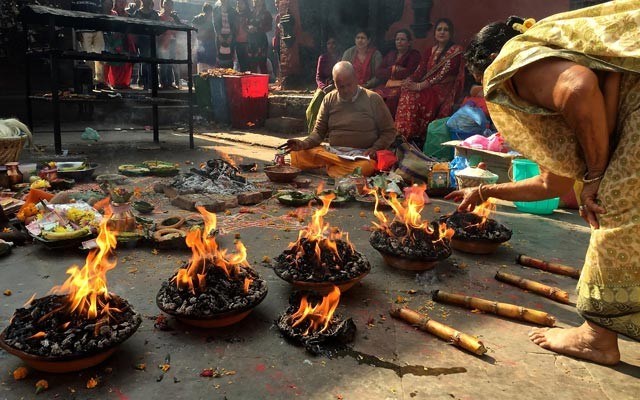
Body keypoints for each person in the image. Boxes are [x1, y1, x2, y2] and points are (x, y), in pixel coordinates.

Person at [446, 2, 640, 365]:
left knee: (611, 211)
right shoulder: (557, 53)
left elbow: (577, 87)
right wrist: (485, 190)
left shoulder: (516, 56)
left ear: (493, 58)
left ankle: (597, 338)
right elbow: (553, 183)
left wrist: (597, 174)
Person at [284, 61, 396, 178]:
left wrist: (375, 148)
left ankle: (328, 168)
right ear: (335, 84)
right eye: (341, 87)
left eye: (349, 85)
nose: (346, 90)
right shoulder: (329, 99)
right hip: (333, 153)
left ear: (356, 79)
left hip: (360, 156)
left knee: (364, 168)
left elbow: (389, 132)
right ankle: (335, 169)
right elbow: (318, 133)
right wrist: (303, 144)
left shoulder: (372, 98)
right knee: (297, 155)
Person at [394, 18, 465, 146]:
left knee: (415, 95)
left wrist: (420, 86)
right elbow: (420, 71)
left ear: (451, 33)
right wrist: (409, 81)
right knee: (406, 91)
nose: (442, 32)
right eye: (439, 29)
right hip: (427, 86)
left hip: (444, 88)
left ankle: (418, 135)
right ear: (435, 33)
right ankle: (404, 134)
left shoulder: (455, 51)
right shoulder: (429, 51)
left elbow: (443, 75)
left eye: (446, 30)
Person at [373, 29, 421, 118]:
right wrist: (393, 69)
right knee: (374, 95)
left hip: (404, 85)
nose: (399, 42)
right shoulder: (391, 54)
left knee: (392, 98)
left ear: (409, 42)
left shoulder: (414, 55)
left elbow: (410, 72)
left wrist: (390, 72)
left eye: (402, 39)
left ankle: (390, 123)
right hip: (389, 84)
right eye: (397, 39)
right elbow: (378, 72)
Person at [70, 0, 109, 89]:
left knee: (100, 56)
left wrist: (102, 28)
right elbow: (73, 13)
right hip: (83, 29)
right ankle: (90, 81)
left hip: (97, 29)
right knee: (88, 58)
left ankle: (100, 81)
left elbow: (101, 10)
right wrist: (76, 30)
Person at [305, 37, 339, 134]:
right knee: (313, 106)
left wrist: (332, 86)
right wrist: (323, 87)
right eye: (329, 43)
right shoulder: (322, 58)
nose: (331, 46)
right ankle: (312, 132)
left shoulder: (340, 58)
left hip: (336, 86)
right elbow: (318, 77)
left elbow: (340, 75)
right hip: (323, 87)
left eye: (333, 43)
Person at [104, 0, 137, 89]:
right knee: (114, 63)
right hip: (112, 41)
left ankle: (125, 83)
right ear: (116, 3)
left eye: (123, 1)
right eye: (119, 1)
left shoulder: (129, 16)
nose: (121, 3)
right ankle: (114, 83)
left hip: (126, 41)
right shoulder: (112, 13)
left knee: (126, 63)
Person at [132, 0, 159, 90]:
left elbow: (158, 27)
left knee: (152, 61)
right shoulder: (137, 13)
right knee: (144, 61)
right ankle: (144, 82)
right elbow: (134, 27)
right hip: (142, 40)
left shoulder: (154, 14)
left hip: (152, 39)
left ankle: (152, 82)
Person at [158, 0, 181, 89]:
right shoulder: (160, 17)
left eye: (171, 5)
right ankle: (163, 82)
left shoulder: (172, 18)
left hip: (172, 42)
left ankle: (170, 82)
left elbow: (175, 31)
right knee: (163, 64)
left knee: (170, 63)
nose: (170, 7)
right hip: (163, 42)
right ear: (164, 6)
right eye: (168, 5)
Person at [247, 0, 272, 73]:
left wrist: (257, 29)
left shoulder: (266, 13)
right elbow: (246, 24)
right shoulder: (251, 13)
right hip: (251, 41)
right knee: (252, 64)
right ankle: (254, 82)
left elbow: (269, 27)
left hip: (261, 41)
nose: (256, 1)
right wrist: (249, 28)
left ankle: (264, 82)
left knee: (262, 63)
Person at [192, 3, 217, 73]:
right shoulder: (198, 19)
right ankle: (202, 78)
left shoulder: (212, 21)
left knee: (210, 64)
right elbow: (194, 30)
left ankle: (208, 78)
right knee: (202, 64)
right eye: (208, 12)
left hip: (210, 45)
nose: (209, 14)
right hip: (201, 43)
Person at [213, 0, 237, 69]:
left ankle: (230, 75)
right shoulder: (216, 10)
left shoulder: (233, 11)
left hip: (230, 36)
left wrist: (231, 35)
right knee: (220, 58)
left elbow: (234, 25)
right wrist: (219, 35)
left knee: (230, 58)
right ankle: (221, 76)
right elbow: (215, 24)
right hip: (220, 36)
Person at [234, 0, 251, 71]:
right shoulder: (235, 15)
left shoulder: (249, 15)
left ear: (245, 4)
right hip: (238, 42)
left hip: (247, 42)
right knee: (241, 64)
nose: (239, 5)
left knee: (248, 64)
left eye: (241, 3)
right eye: (238, 3)